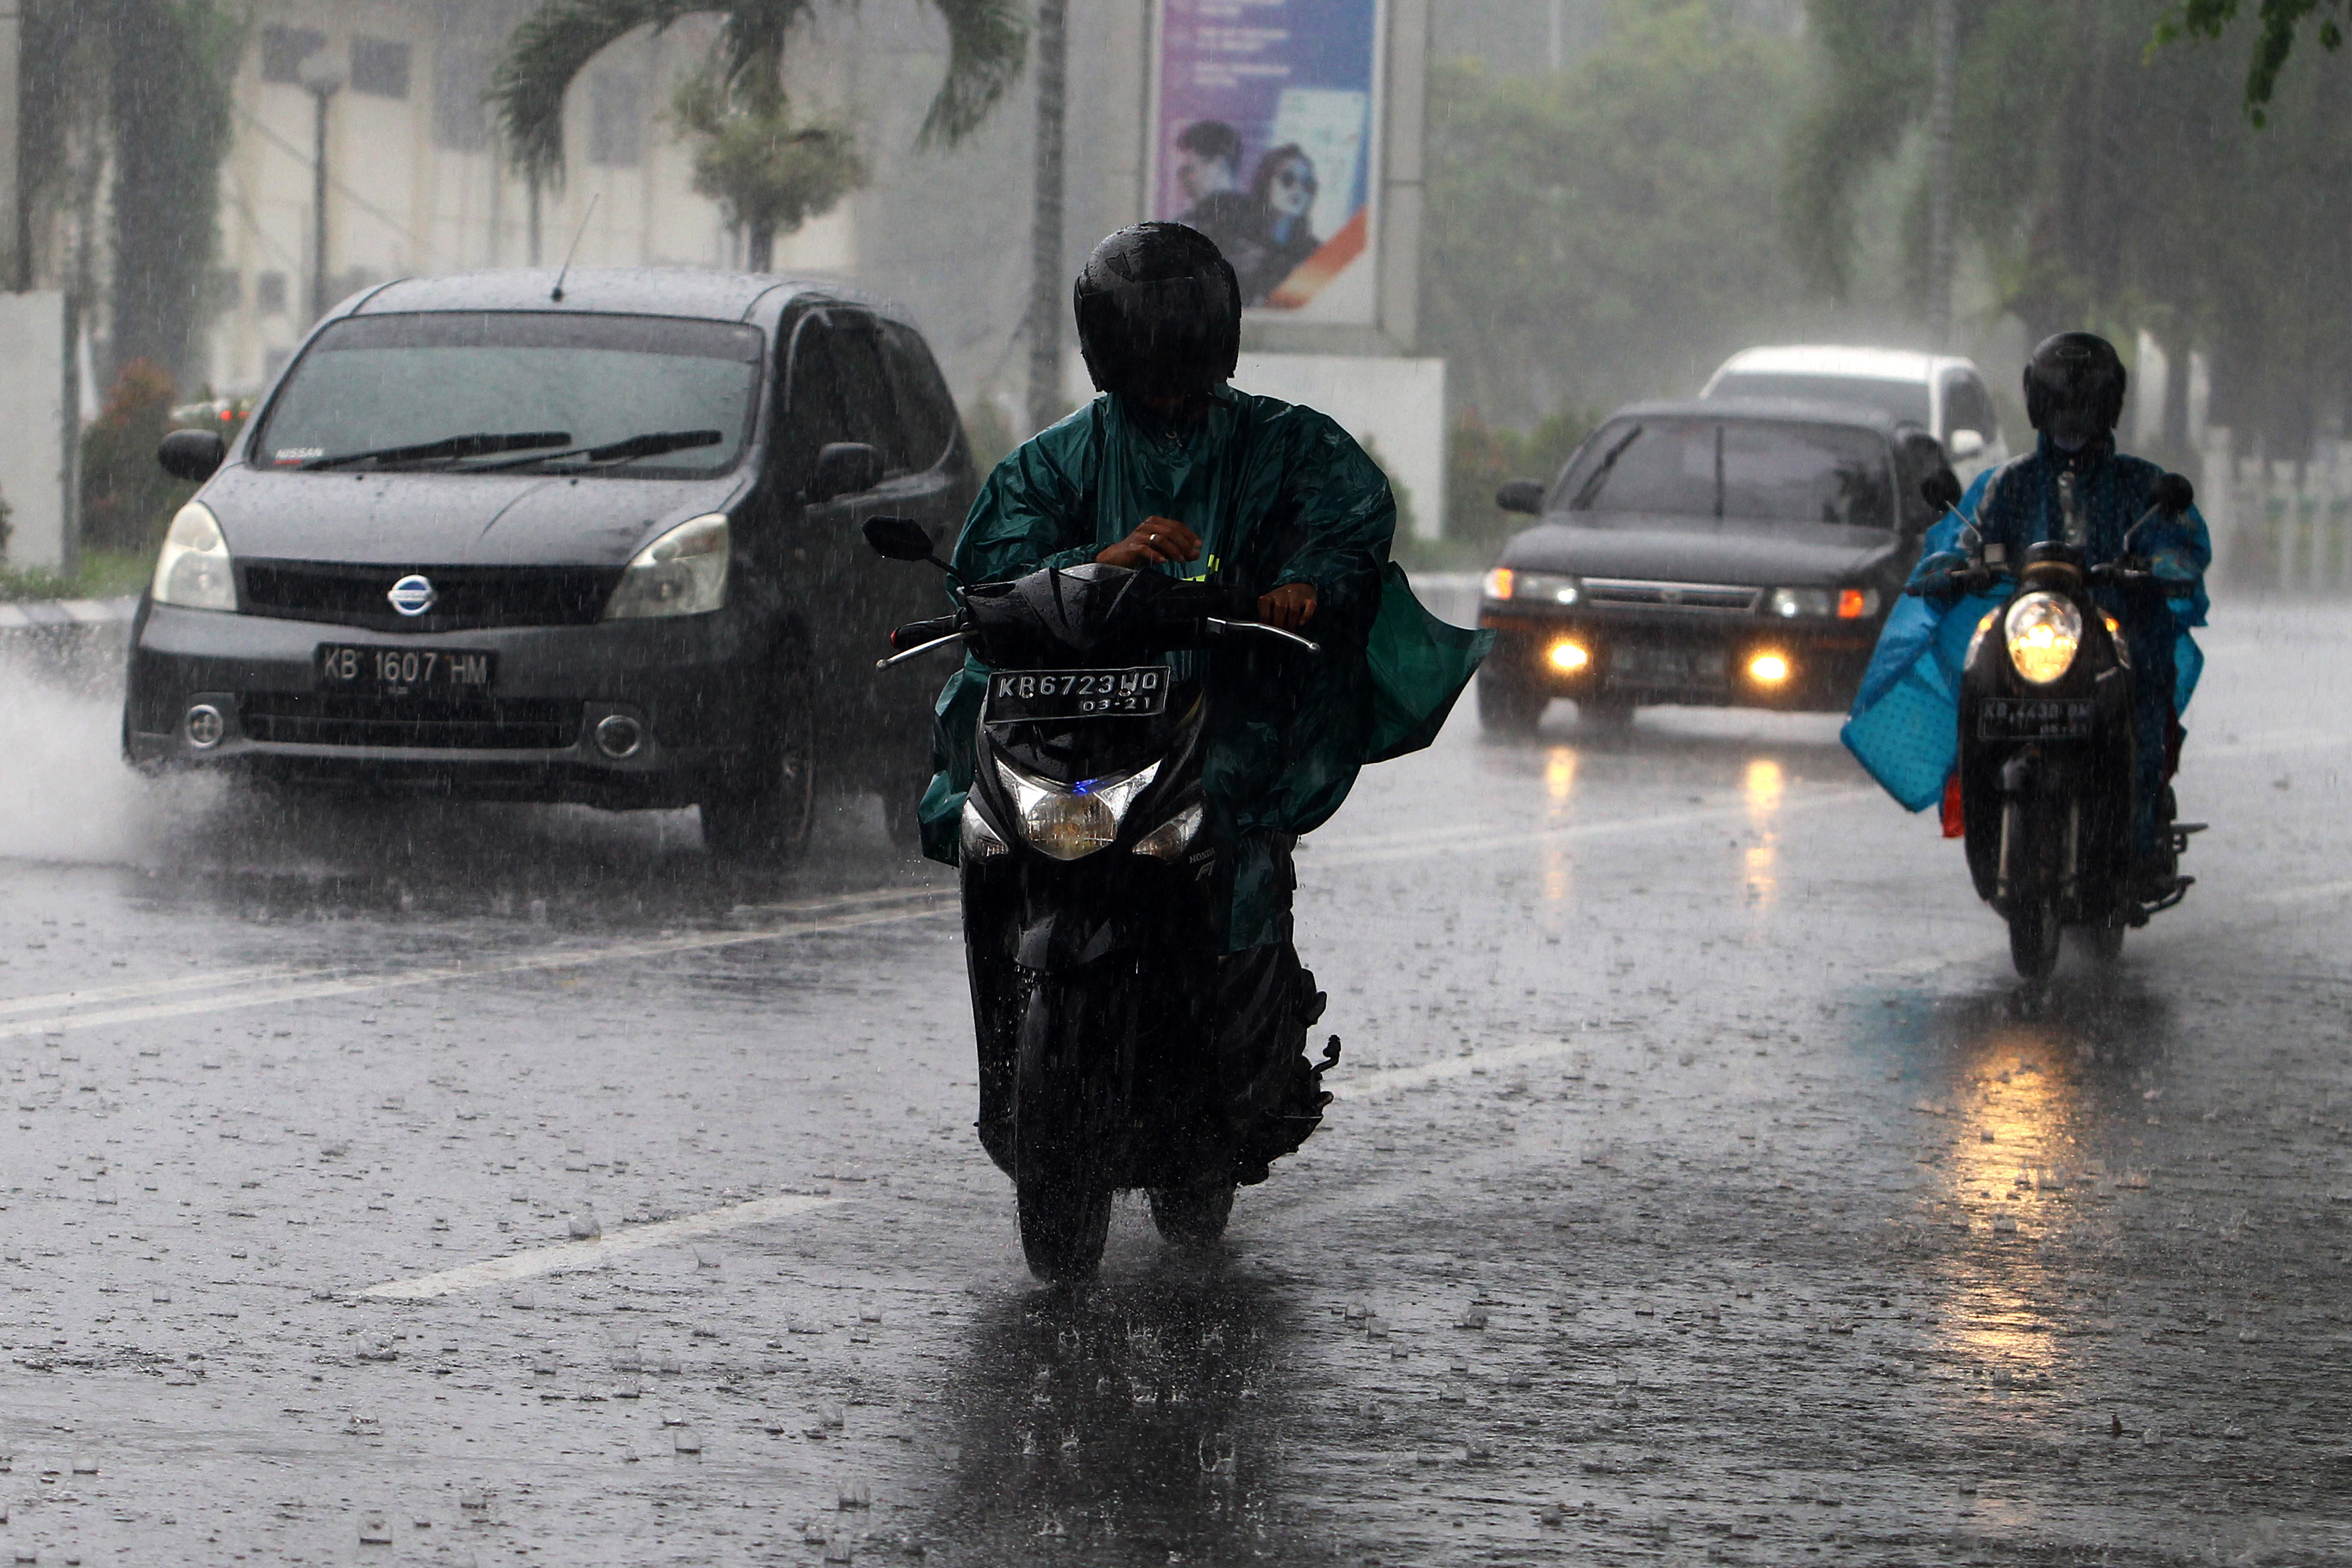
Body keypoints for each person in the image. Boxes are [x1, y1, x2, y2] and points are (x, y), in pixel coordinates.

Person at [918, 221, 1488, 1181]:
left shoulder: (1283, 445)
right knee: (991, 822)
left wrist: (1306, 583)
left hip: (1224, 712)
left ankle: (1248, 1061)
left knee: (1239, 846)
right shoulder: (1057, 462)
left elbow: (1348, 517)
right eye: (1144, 343)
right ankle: (1020, 1071)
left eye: (1179, 341)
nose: (1163, 367)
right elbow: (992, 570)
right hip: (1073, 720)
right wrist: (1099, 563)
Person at [1846, 331, 2211, 895]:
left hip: (2117, 627)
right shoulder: (2007, 484)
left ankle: (2137, 837)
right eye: (2060, 404)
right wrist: (1952, 565)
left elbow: (2179, 539)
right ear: (2038, 405)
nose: (2072, 418)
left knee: (2142, 694)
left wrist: (2161, 563)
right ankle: (1983, 810)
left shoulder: (2142, 484)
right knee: (1979, 680)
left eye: (2084, 404)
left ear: (2109, 406)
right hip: (2033, 627)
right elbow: (1968, 541)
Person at [1235, 144, 1321, 305]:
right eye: (1288, 179)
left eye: (1308, 184)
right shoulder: (1241, 245)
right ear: (1266, 182)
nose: (1298, 189)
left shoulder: (1316, 253)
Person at [1170, 120, 1258, 262]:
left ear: (1218, 165)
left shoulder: (1197, 222)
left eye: (1188, 170)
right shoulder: (1261, 215)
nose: (1183, 181)